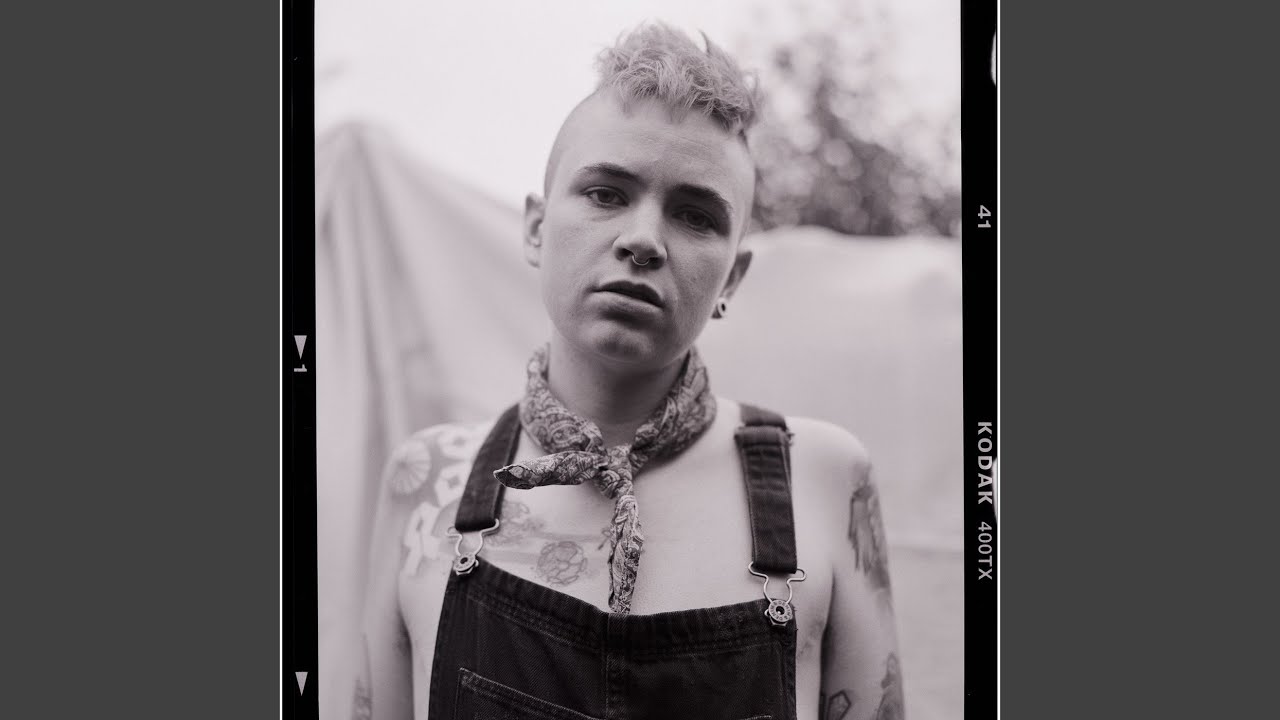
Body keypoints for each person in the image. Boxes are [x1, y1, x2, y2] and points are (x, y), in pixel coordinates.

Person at [354, 23, 904, 720]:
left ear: (732, 278)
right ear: (535, 228)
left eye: (695, 215)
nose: (643, 240)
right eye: (606, 193)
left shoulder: (822, 478)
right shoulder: (427, 482)